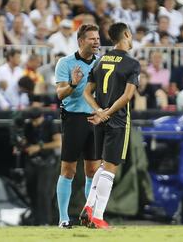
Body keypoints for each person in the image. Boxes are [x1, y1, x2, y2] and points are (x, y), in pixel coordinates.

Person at [83, 22, 140, 229]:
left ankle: (89, 207)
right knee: (110, 169)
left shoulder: (99, 61)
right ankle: (98, 217)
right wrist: (106, 113)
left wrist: (99, 111)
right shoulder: (131, 64)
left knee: (103, 166)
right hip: (116, 120)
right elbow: (126, 97)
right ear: (126, 34)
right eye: (131, 35)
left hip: (100, 121)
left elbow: (86, 93)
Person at [54, 24, 101, 228]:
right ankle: (63, 218)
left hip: (94, 119)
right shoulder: (65, 63)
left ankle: (89, 215)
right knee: (68, 170)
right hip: (73, 119)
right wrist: (72, 84)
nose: (97, 41)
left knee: (93, 170)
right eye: (92, 38)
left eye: (98, 38)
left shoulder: (101, 64)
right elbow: (59, 94)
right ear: (81, 41)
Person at [22, 108, 62, 225]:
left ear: (41, 117)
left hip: (47, 162)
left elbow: (58, 143)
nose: (34, 123)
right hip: (32, 161)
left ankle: (46, 221)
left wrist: (39, 147)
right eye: (32, 120)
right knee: (31, 190)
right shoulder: (29, 126)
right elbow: (26, 141)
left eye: (36, 120)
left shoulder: (50, 124)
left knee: (43, 192)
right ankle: (35, 219)